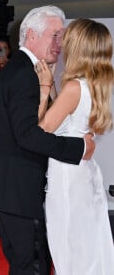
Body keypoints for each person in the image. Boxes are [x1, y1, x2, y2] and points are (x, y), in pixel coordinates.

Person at [0, 5, 95, 275]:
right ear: (32, 35)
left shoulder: (24, 69)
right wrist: (79, 148)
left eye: (62, 36)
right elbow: (28, 135)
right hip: (20, 190)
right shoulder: (24, 74)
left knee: (28, 265)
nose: (60, 43)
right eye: (55, 35)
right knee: (33, 266)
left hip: (13, 190)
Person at [38, 19, 114, 275]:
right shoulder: (96, 84)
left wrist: (45, 87)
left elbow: (41, 130)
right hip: (85, 172)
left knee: (68, 245)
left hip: (68, 176)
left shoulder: (73, 88)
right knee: (88, 243)